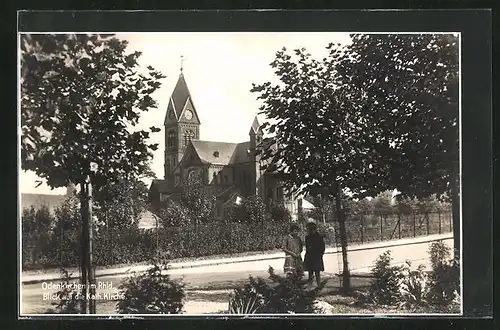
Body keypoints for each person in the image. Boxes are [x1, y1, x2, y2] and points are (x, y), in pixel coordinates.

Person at [304, 221, 325, 288]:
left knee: (317, 272)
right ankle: (310, 286)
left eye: (308, 229)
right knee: (310, 272)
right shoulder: (307, 237)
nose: (308, 230)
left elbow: (322, 247)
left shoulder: (319, 237)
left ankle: (318, 285)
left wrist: (320, 255)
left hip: (317, 257)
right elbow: (307, 248)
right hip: (310, 257)